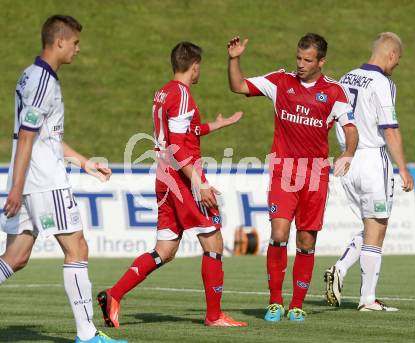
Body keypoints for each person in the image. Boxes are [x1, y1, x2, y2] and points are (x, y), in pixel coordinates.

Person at [97, 41, 247, 328]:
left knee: (164, 250)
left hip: (164, 178)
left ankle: (114, 295)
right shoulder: (183, 96)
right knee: (213, 241)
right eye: (199, 66)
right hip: (181, 179)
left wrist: (217, 125)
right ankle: (214, 316)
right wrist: (198, 183)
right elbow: (178, 148)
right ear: (194, 66)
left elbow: (178, 134)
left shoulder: (164, 92)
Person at [0, 15, 127, 343]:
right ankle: (87, 334)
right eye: (75, 42)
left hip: (30, 179)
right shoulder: (42, 82)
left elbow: (44, 136)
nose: (78, 49)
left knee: (16, 257)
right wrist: (15, 188)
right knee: (77, 248)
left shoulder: (34, 76)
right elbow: (26, 138)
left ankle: (87, 334)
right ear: (59, 42)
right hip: (44, 181)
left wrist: (84, 163)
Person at [227, 34, 359, 322]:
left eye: (307, 60)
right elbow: (238, 86)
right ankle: (275, 302)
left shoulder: (334, 92)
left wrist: (347, 153)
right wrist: (234, 58)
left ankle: (297, 304)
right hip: (283, 173)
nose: (300, 64)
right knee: (278, 235)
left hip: (315, 177)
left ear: (321, 62)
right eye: (298, 58)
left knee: (307, 240)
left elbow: (350, 128)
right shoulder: (280, 81)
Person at [324, 32, 414, 311]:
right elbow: (391, 128)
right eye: (397, 60)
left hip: (347, 161)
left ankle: (341, 268)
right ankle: (367, 299)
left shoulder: (346, 77)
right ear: (392, 55)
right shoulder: (383, 83)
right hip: (373, 159)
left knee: (370, 226)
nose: (396, 65)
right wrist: (403, 168)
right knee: (378, 228)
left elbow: (329, 118)